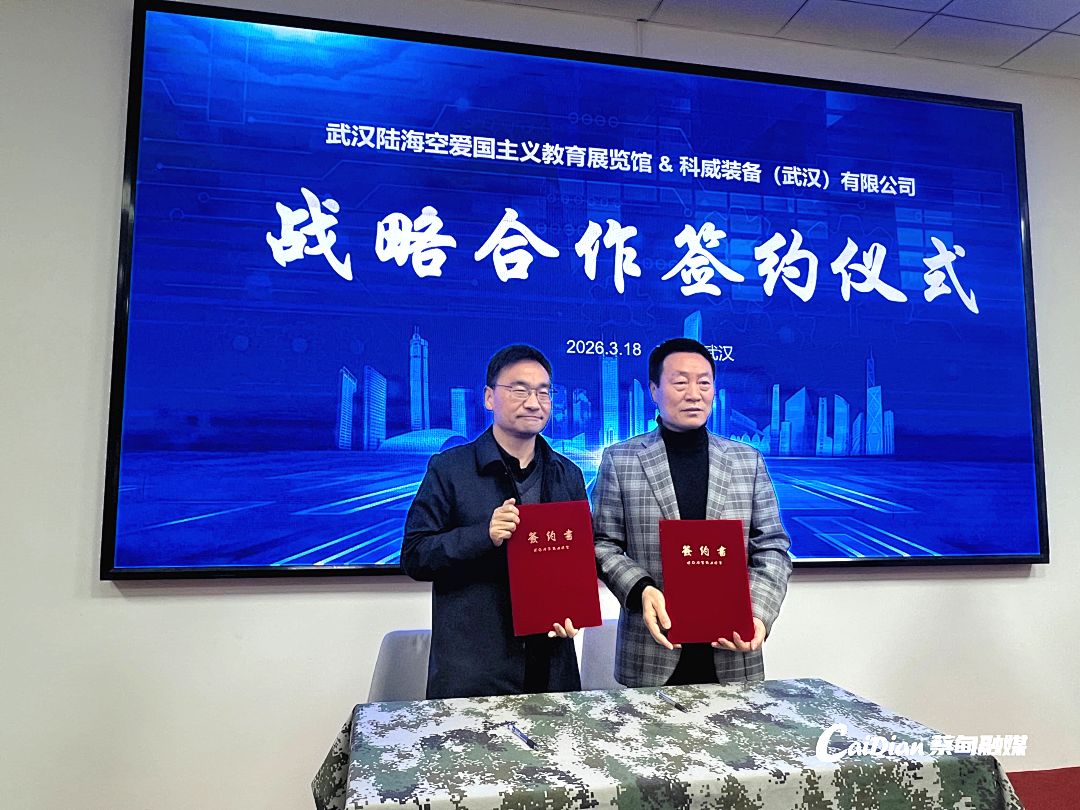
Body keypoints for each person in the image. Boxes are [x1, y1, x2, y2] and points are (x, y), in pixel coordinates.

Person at [592, 337, 792, 687]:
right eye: (680, 382)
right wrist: (640, 589)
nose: (694, 394)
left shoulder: (747, 461)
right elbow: (602, 543)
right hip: (652, 649)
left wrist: (758, 614)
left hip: (733, 650)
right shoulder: (621, 460)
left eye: (704, 383)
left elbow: (772, 547)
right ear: (654, 390)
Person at [402, 344, 586, 699]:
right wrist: (482, 535)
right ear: (489, 397)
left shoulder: (568, 474)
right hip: (474, 670)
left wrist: (574, 609)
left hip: (551, 669)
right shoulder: (450, 469)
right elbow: (415, 555)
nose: (533, 402)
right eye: (519, 390)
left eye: (543, 392)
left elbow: (576, 561)